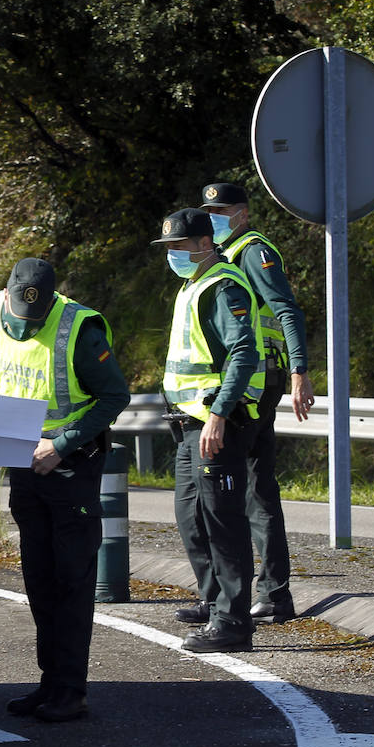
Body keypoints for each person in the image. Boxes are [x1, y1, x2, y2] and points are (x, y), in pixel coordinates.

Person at [0, 258, 130, 720]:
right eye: (19, 314)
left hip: (72, 465)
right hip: (22, 462)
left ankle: (70, 690)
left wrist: (61, 444)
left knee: (72, 580)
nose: (25, 323)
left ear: (52, 298)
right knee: (38, 577)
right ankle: (48, 682)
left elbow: (115, 396)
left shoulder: (78, 327)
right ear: (6, 294)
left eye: (33, 318)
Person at [198, 182, 315, 625]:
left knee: (250, 487)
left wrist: (300, 372)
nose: (214, 216)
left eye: (222, 209)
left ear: (243, 214)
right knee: (257, 485)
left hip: (258, 379)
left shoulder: (250, 250)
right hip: (253, 378)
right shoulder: (224, 253)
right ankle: (269, 594)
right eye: (208, 210)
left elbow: (285, 309)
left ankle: (259, 594)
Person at [154, 208, 266, 652]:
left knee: (223, 522)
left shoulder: (223, 286)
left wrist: (219, 413)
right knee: (192, 517)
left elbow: (244, 353)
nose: (172, 255)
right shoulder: (193, 285)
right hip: (188, 424)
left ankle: (233, 622)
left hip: (214, 423)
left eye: (178, 247)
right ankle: (214, 599)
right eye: (167, 249)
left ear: (203, 244)